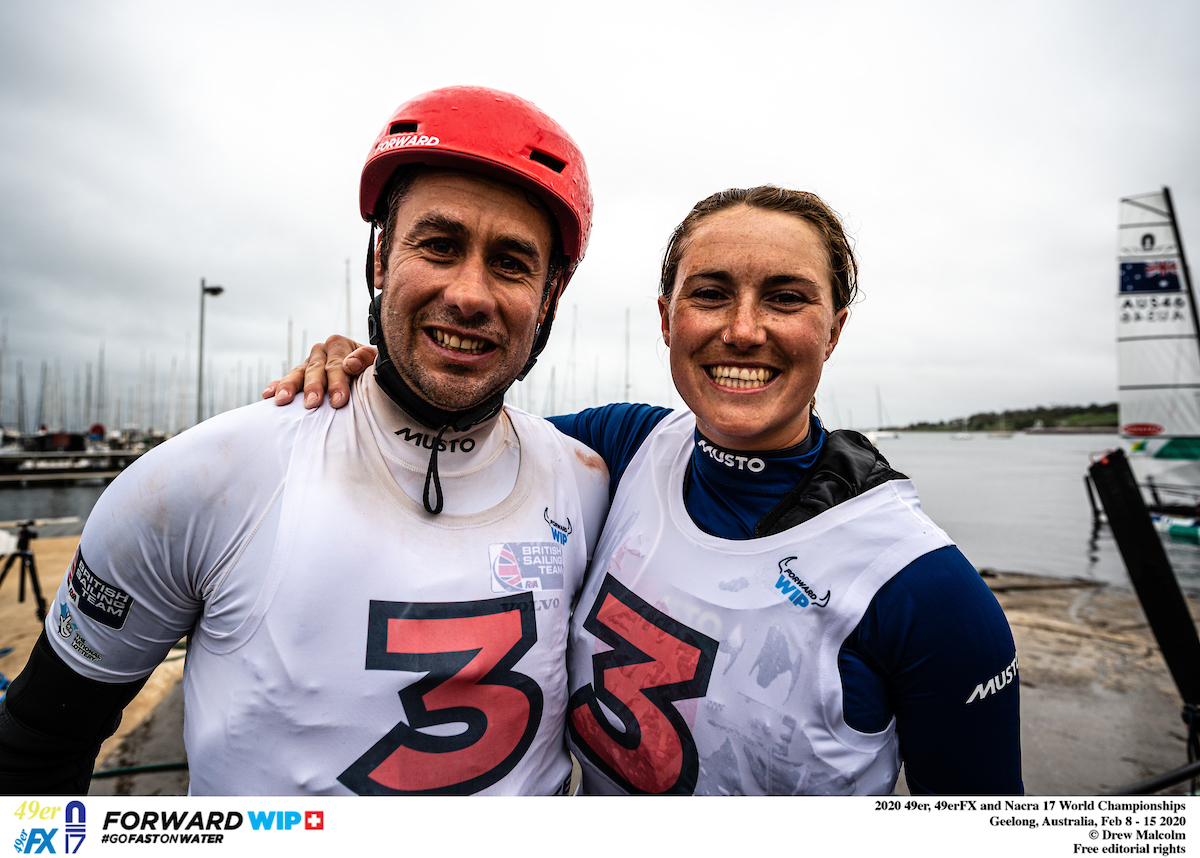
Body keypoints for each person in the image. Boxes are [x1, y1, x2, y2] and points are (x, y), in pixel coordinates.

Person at [278, 186, 1023, 795]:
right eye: (711, 294)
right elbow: (454, 432)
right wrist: (369, 374)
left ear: (833, 331)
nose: (743, 330)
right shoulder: (626, 445)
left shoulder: (924, 591)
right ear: (666, 318)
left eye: (786, 298)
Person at [0, 86, 610, 795]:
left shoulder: (588, 482)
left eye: (510, 262)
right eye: (439, 246)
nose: (470, 294)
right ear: (380, 260)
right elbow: (37, 748)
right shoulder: (202, 479)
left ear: (549, 298)